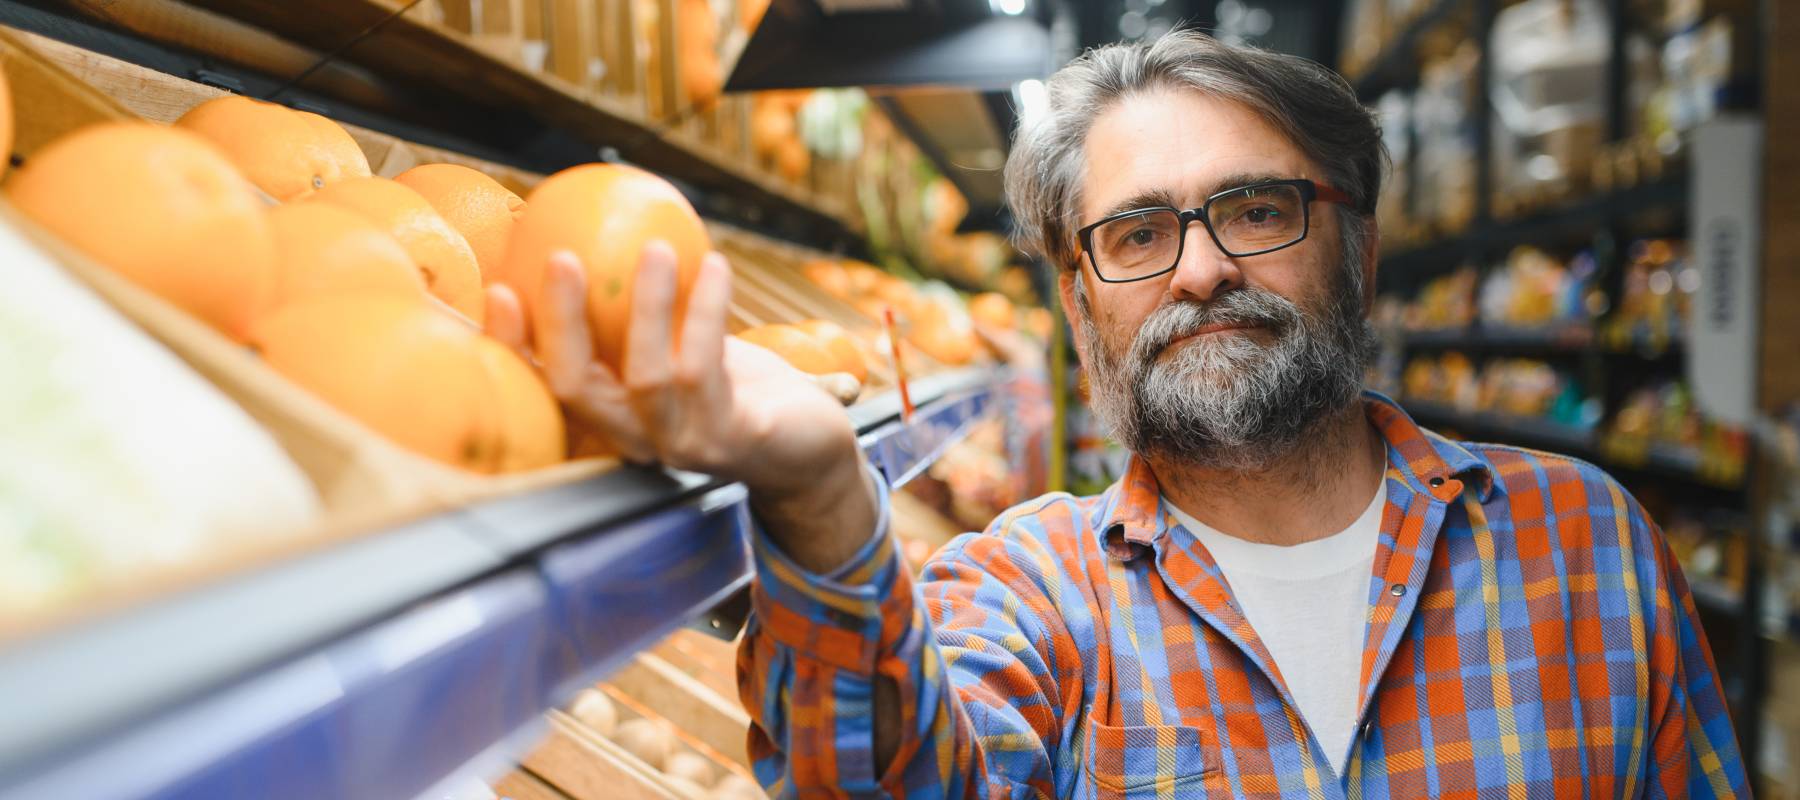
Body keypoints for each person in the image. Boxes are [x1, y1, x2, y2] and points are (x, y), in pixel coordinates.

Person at [487, 29, 1746, 800]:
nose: (1199, 270)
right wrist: (820, 496)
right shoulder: (1026, 591)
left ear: (1355, 249)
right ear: (1081, 301)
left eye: (1255, 209)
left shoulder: (1583, 544)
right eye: (1137, 233)